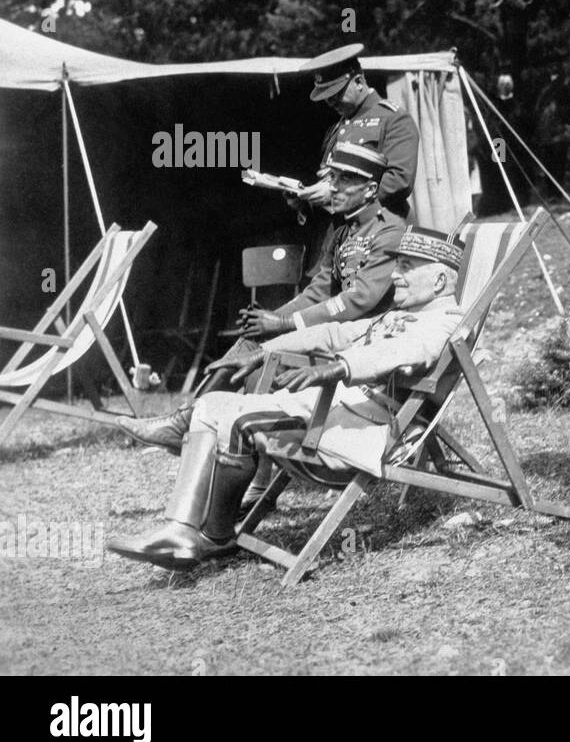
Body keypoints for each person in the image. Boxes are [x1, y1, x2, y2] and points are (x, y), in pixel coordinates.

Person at [105, 226, 467, 571]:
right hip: (334, 411)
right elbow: (334, 332)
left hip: (361, 432)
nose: (395, 275)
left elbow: (403, 351)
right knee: (209, 405)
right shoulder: (402, 315)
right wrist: (264, 351)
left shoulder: (446, 322)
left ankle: (213, 536)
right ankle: (182, 529)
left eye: (406, 267)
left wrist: (339, 367)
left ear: (438, 281)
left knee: (237, 423)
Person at [115, 143, 407, 453]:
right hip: (333, 333)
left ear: (370, 189)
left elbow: (360, 300)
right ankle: (190, 420)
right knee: (254, 339)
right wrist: (271, 319)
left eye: (344, 179)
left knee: (260, 355)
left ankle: (189, 423)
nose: (333, 187)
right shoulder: (343, 232)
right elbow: (320, 289)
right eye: (332, 178)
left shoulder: (389, 232)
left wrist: (285, 323)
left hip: (363, 340)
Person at [292, 43, 420, 219]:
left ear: (358, 82)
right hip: (345, 231)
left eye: (336, 94)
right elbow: (331, 180)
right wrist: (307, 200)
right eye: (327, 98)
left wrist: (338, 194)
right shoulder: (338, 127)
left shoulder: (393, 118)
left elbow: (399, 180)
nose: (331, 103)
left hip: (381, 226)